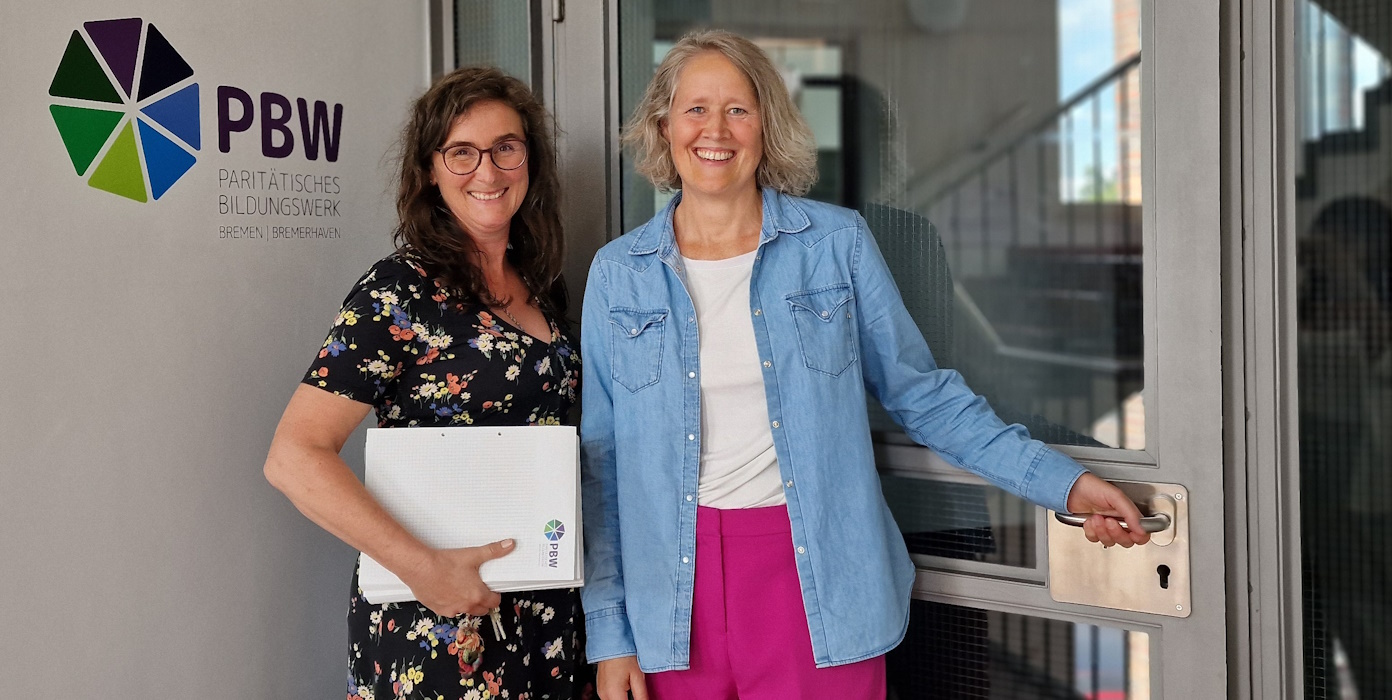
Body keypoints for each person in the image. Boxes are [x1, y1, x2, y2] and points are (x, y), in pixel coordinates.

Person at [579, 29, 1149, 700]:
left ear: (768, 123)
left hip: (819, 581)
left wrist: (1065, 483)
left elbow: (924, 396)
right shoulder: (620, 274)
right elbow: (603, 462)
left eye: (739, 108)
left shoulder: (836, 245)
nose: (716, 129)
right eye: (695, 108)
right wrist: (611, 631)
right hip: (669, 596)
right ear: (663, 125)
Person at [263, 66, 590, 700]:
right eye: (461, 152)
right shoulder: (398, 293)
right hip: (439, 626)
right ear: (430, 172)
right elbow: (293, 457)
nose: (487, 172)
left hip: (544, 618)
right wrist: (425, 571)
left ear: (531, 160)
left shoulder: (543, 286)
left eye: (506, 147)